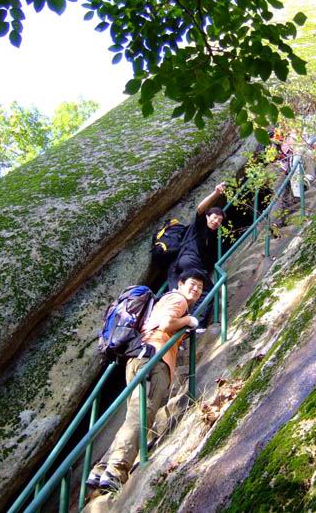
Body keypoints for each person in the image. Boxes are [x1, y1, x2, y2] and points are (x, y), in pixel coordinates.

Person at [87, 270, 205, 491]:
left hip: (140, 357)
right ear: (180, 284)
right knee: (143, 413)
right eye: (192, 284)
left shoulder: (165, 300)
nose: (196, 289)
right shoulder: (177, 299)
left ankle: (101, 469)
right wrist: (190, 320)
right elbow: (167, 323)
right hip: (154, 360)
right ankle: (116, 470)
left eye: (200, 287)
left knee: (135, 413)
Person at [166, 182, 226, 324]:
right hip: (189, 261)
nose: (216, 221)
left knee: (178, 296)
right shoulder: (200, 225)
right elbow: (200, 208)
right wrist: (216, 193)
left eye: (220, 220)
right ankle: (196, 325)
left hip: (179, 265)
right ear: (207, 217)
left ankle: (171, 323)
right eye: (214, 217)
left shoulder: (211, 235)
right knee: (208, 291)